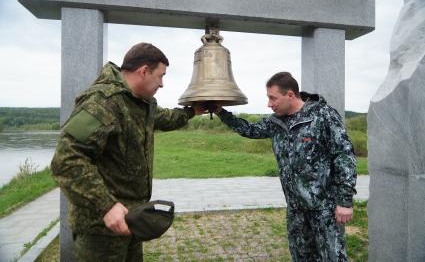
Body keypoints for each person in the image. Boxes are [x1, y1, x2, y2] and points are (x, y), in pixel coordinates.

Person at [51, 42, 203, 261]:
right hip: (101, 227)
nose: (162, 84)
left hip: (132, 219)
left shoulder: (141, 103)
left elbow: (165, 118)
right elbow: (66, 161)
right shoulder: (103, 102)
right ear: (143, 71)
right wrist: (106, 206)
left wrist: (192, 111)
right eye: (161, 76)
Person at [213, 72, 357, 261]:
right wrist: (220, 112)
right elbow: (250, 130)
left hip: (324, 209)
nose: (269, 104)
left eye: (273, 98)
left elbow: (344, 155)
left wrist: (345, 201)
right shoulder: (276, 122)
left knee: (332, 257)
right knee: (301, 256)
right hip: (295, 209)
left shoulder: (323, 115)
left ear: (290, 95)